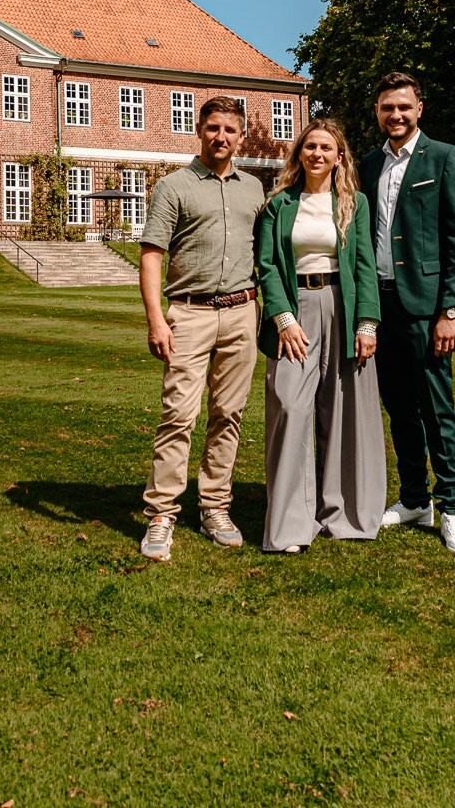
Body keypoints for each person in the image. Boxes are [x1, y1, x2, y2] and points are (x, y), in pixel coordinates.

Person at [136, 95, 268, 562]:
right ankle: (162, 514)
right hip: (188, 313)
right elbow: (152, 253)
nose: (221, 137)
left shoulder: (254, 189)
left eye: (230, 130)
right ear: (199, 129)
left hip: (240, 313)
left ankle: (215, 507)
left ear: (241, 135)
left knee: (228, 415)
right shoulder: (173, 186)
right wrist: (156, 317)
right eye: (213, 128)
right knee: (179, 415)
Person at [361, 71, 455, 555]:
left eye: (404, 107)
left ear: (419, 109)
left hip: (427, 307)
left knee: (437, 410)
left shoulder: (445, 158)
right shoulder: (368, 164)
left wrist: (450, 308)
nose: (396, 115)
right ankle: (414, 499)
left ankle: (454, 508)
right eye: (388, 108)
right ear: (378, 113)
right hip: (379, 304)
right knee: (399, 409)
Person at [254, 117, 382, 554]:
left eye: (326, 148)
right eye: (310, 147)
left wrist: (367, 324)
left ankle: (342, 512)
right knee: (290, 406)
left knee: (344, 409)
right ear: (299, 154)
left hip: (342, 307)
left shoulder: (355, 204)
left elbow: (364, 265)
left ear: (339, 156)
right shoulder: (279, 204)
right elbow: (267, 266)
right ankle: (291, 524)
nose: (317, 154)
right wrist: (283, 318)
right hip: (296, 311)